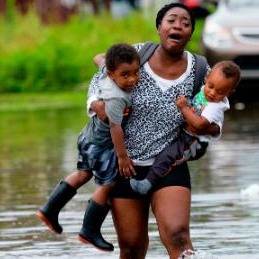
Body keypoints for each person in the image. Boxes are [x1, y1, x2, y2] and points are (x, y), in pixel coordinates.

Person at [88, 3, 218, 258]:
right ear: (159, 27)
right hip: (125, 164)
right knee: (132, 246)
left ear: (190, 33)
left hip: (169, 163)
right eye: (171, 20)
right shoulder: (136, 54)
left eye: (185, 22)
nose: (178, 25)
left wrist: (211, 127)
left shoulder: (200, 70)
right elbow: (99, 81)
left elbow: (218, 105)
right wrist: (97, 106)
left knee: (178, 235)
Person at [36, 43, 139, 252]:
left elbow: (98, 57)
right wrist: (122, 157)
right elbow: (115, 128)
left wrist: (107, 61)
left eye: (136, 72)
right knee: (107, 185)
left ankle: (49, 209)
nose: (132, 79)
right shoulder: (117, 97)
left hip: (87, 138)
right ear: (112, 75)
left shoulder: (105, 70)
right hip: (102, 145)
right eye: (125, 75)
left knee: (83, 174)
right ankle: (89, 230)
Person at [130, 60, 241, 195]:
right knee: (164, 151)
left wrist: (183, 108)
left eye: (220, 92)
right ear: (207, 78)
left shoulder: (215, 107)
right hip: (186, 135)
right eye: (211, 86)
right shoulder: (204, 90)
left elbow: (199, 125)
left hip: (194, 141)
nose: (212, 93)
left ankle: (147, 183)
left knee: (168, 156)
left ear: (229, 93)